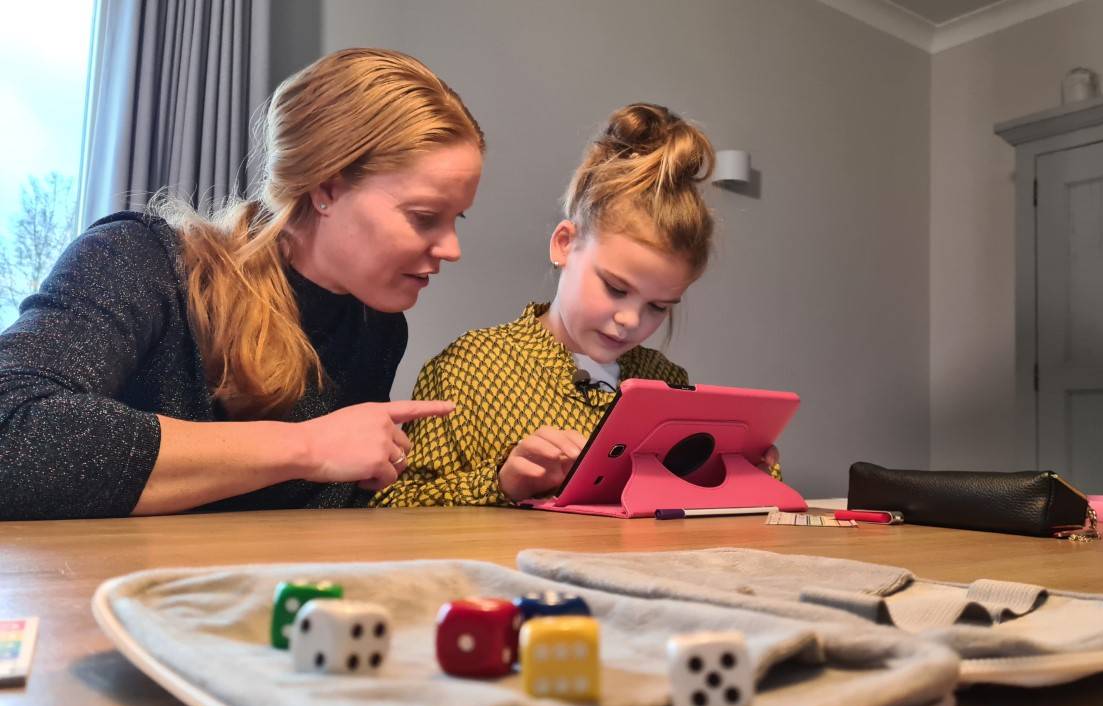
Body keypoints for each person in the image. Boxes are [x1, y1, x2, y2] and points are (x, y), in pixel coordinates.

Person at [0, 48, 484, 520]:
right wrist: (306, 445)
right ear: (326, 189)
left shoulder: (374, 328)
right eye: (424, 217)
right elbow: (12, 433)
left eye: (454, 219)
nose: (452, 248)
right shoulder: (138, 260)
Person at [373, 102, 780, 508]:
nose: (629, 320)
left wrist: (737, 478)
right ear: (564, 244)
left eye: (658, 307)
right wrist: (501, 484)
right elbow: (392, 507)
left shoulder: (668, 385)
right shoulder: (467, 370)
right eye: (615, 288)